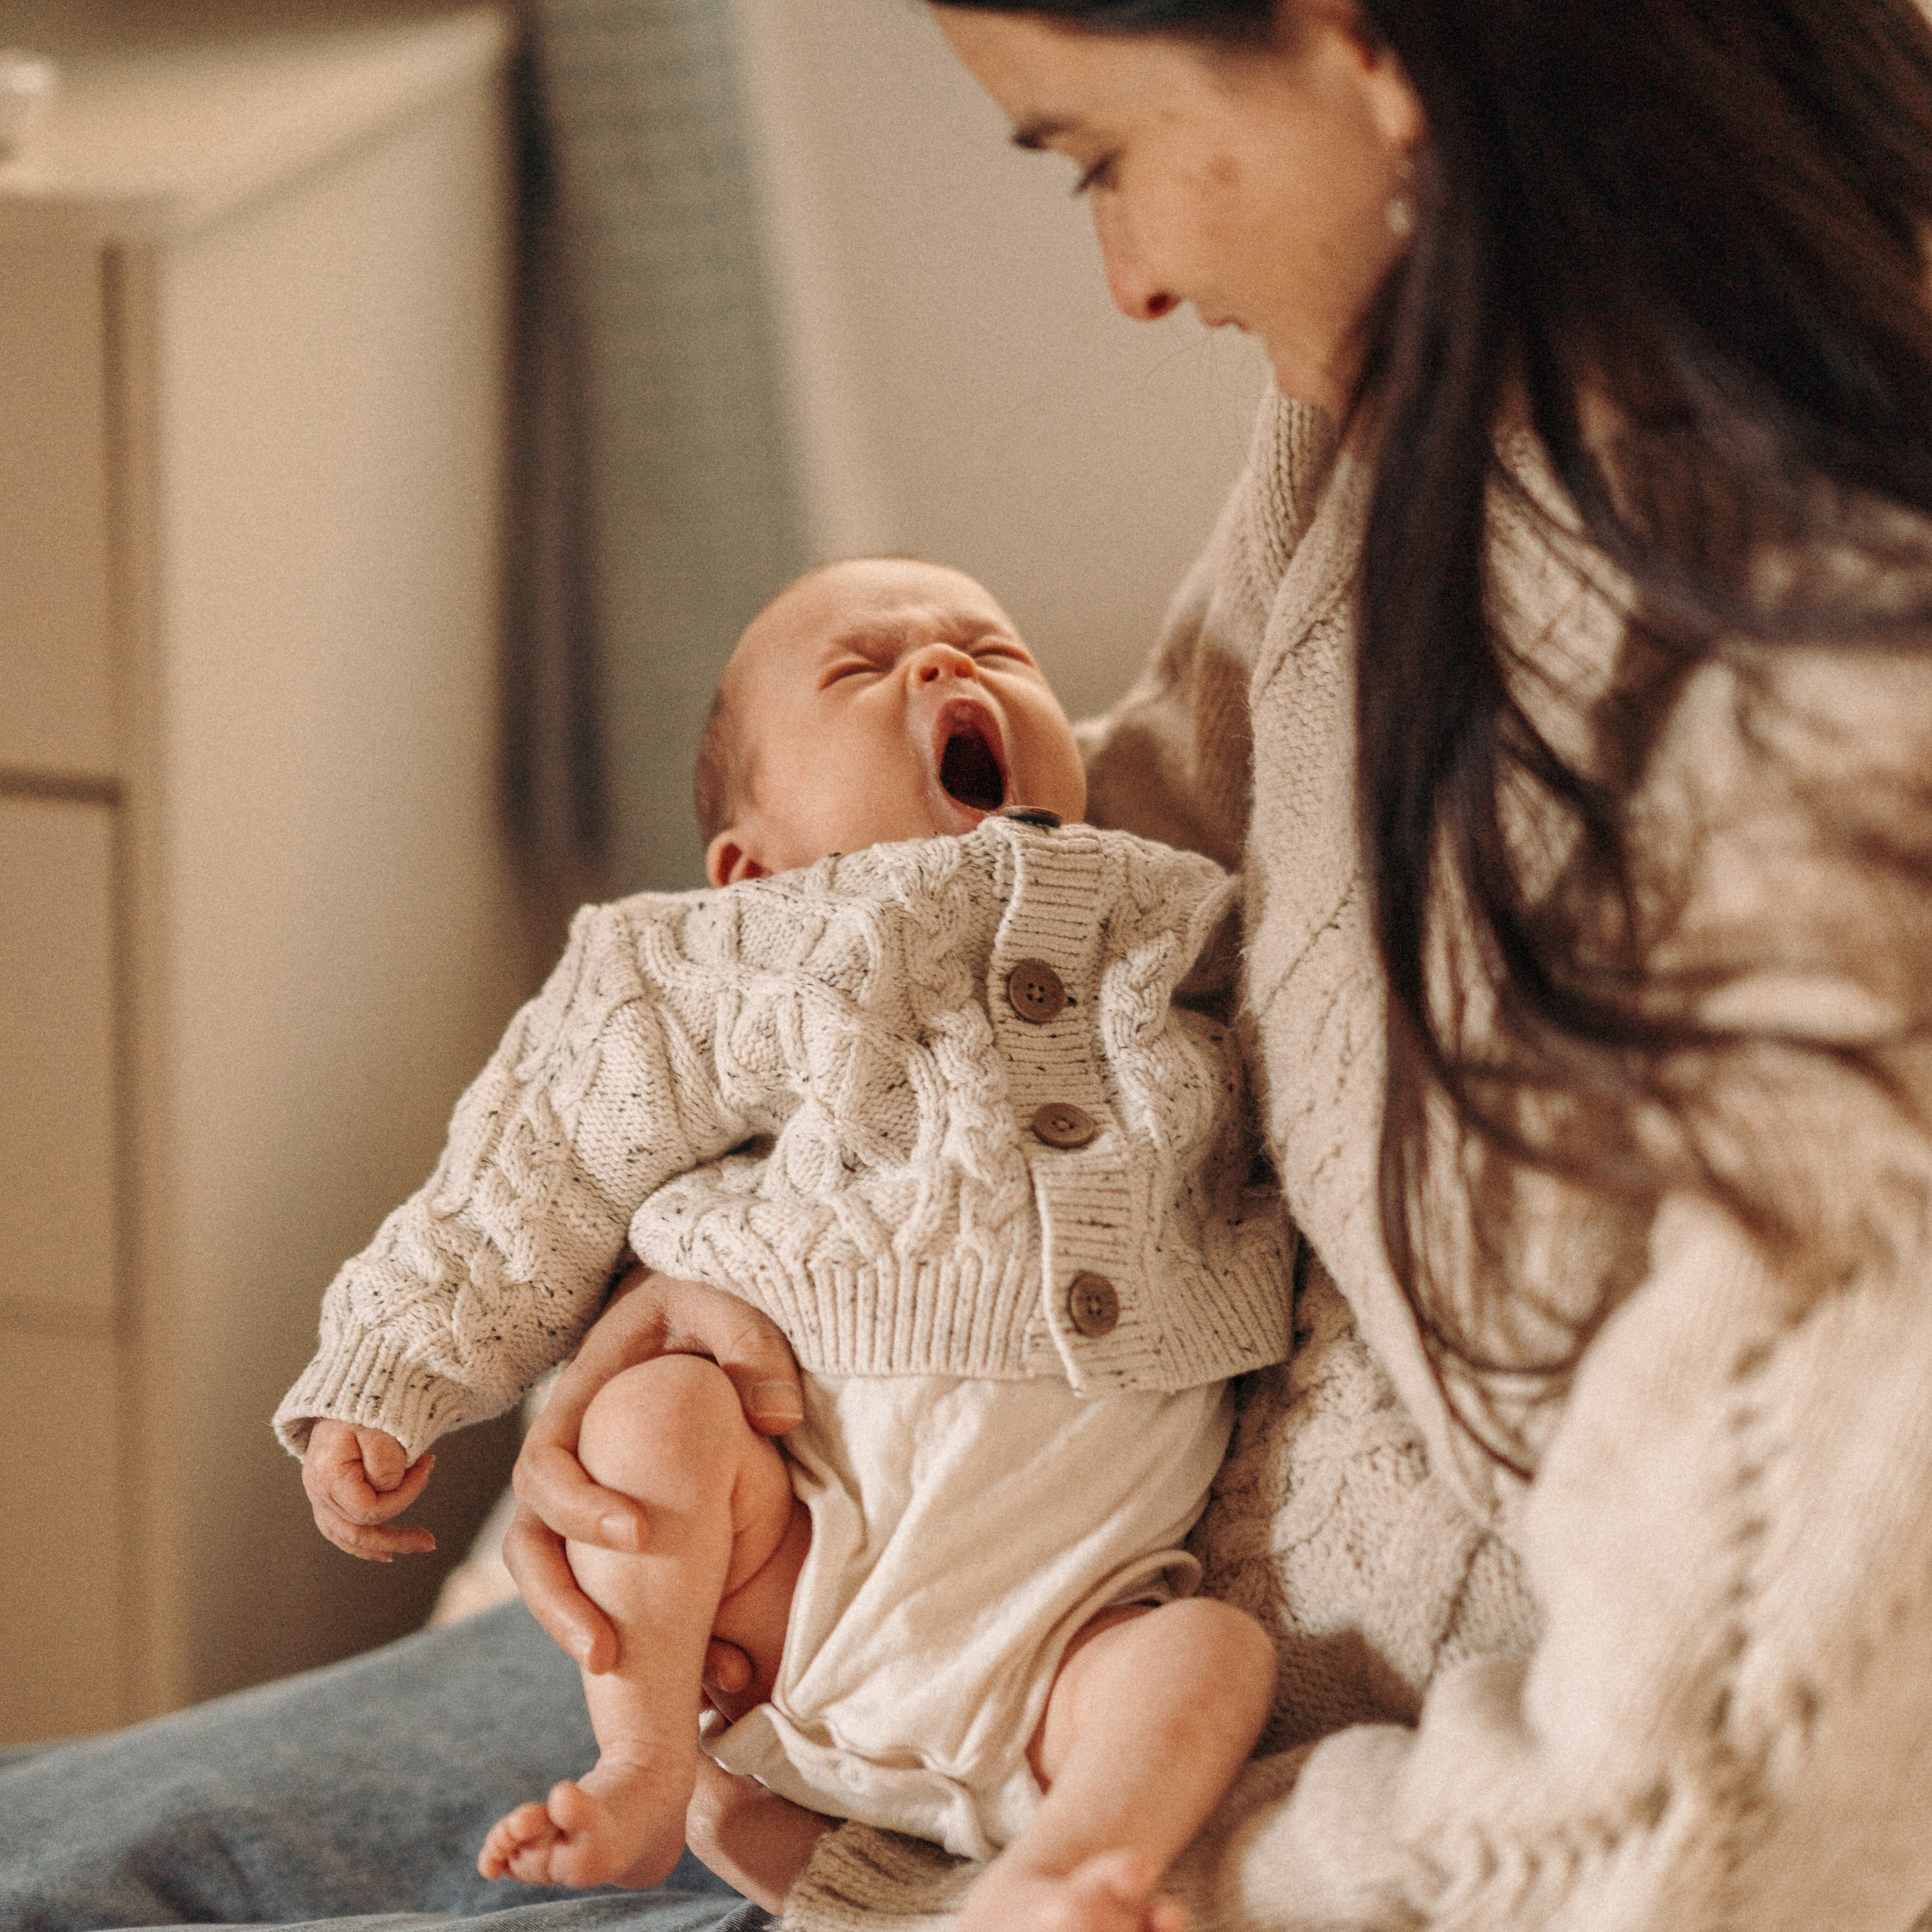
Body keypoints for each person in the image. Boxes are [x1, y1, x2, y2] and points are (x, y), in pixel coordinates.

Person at [7, 1, 1932, 1928]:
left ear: (1365, 53)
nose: (1128, 280)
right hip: (829, 1598)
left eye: (1094, 153)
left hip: (1230, 1792)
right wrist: (669, 1286)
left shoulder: (1829, 796)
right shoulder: (1410, 378)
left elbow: (1710, 1811)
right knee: (50, 1854)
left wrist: (1031, 1867)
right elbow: (1122, 844)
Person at [280, 555, 1294, 1932]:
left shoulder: (1184, 910)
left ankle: (1065, 1873)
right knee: (655, 1424)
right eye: (864, 668)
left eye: (996, 652)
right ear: (749, 864)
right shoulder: (747, 950)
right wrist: (394, 1362)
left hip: (1069, 1625)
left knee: (1211, 1657)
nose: (948, 669)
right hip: (788, 1557)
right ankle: (644, 1764)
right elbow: (545, 1143)